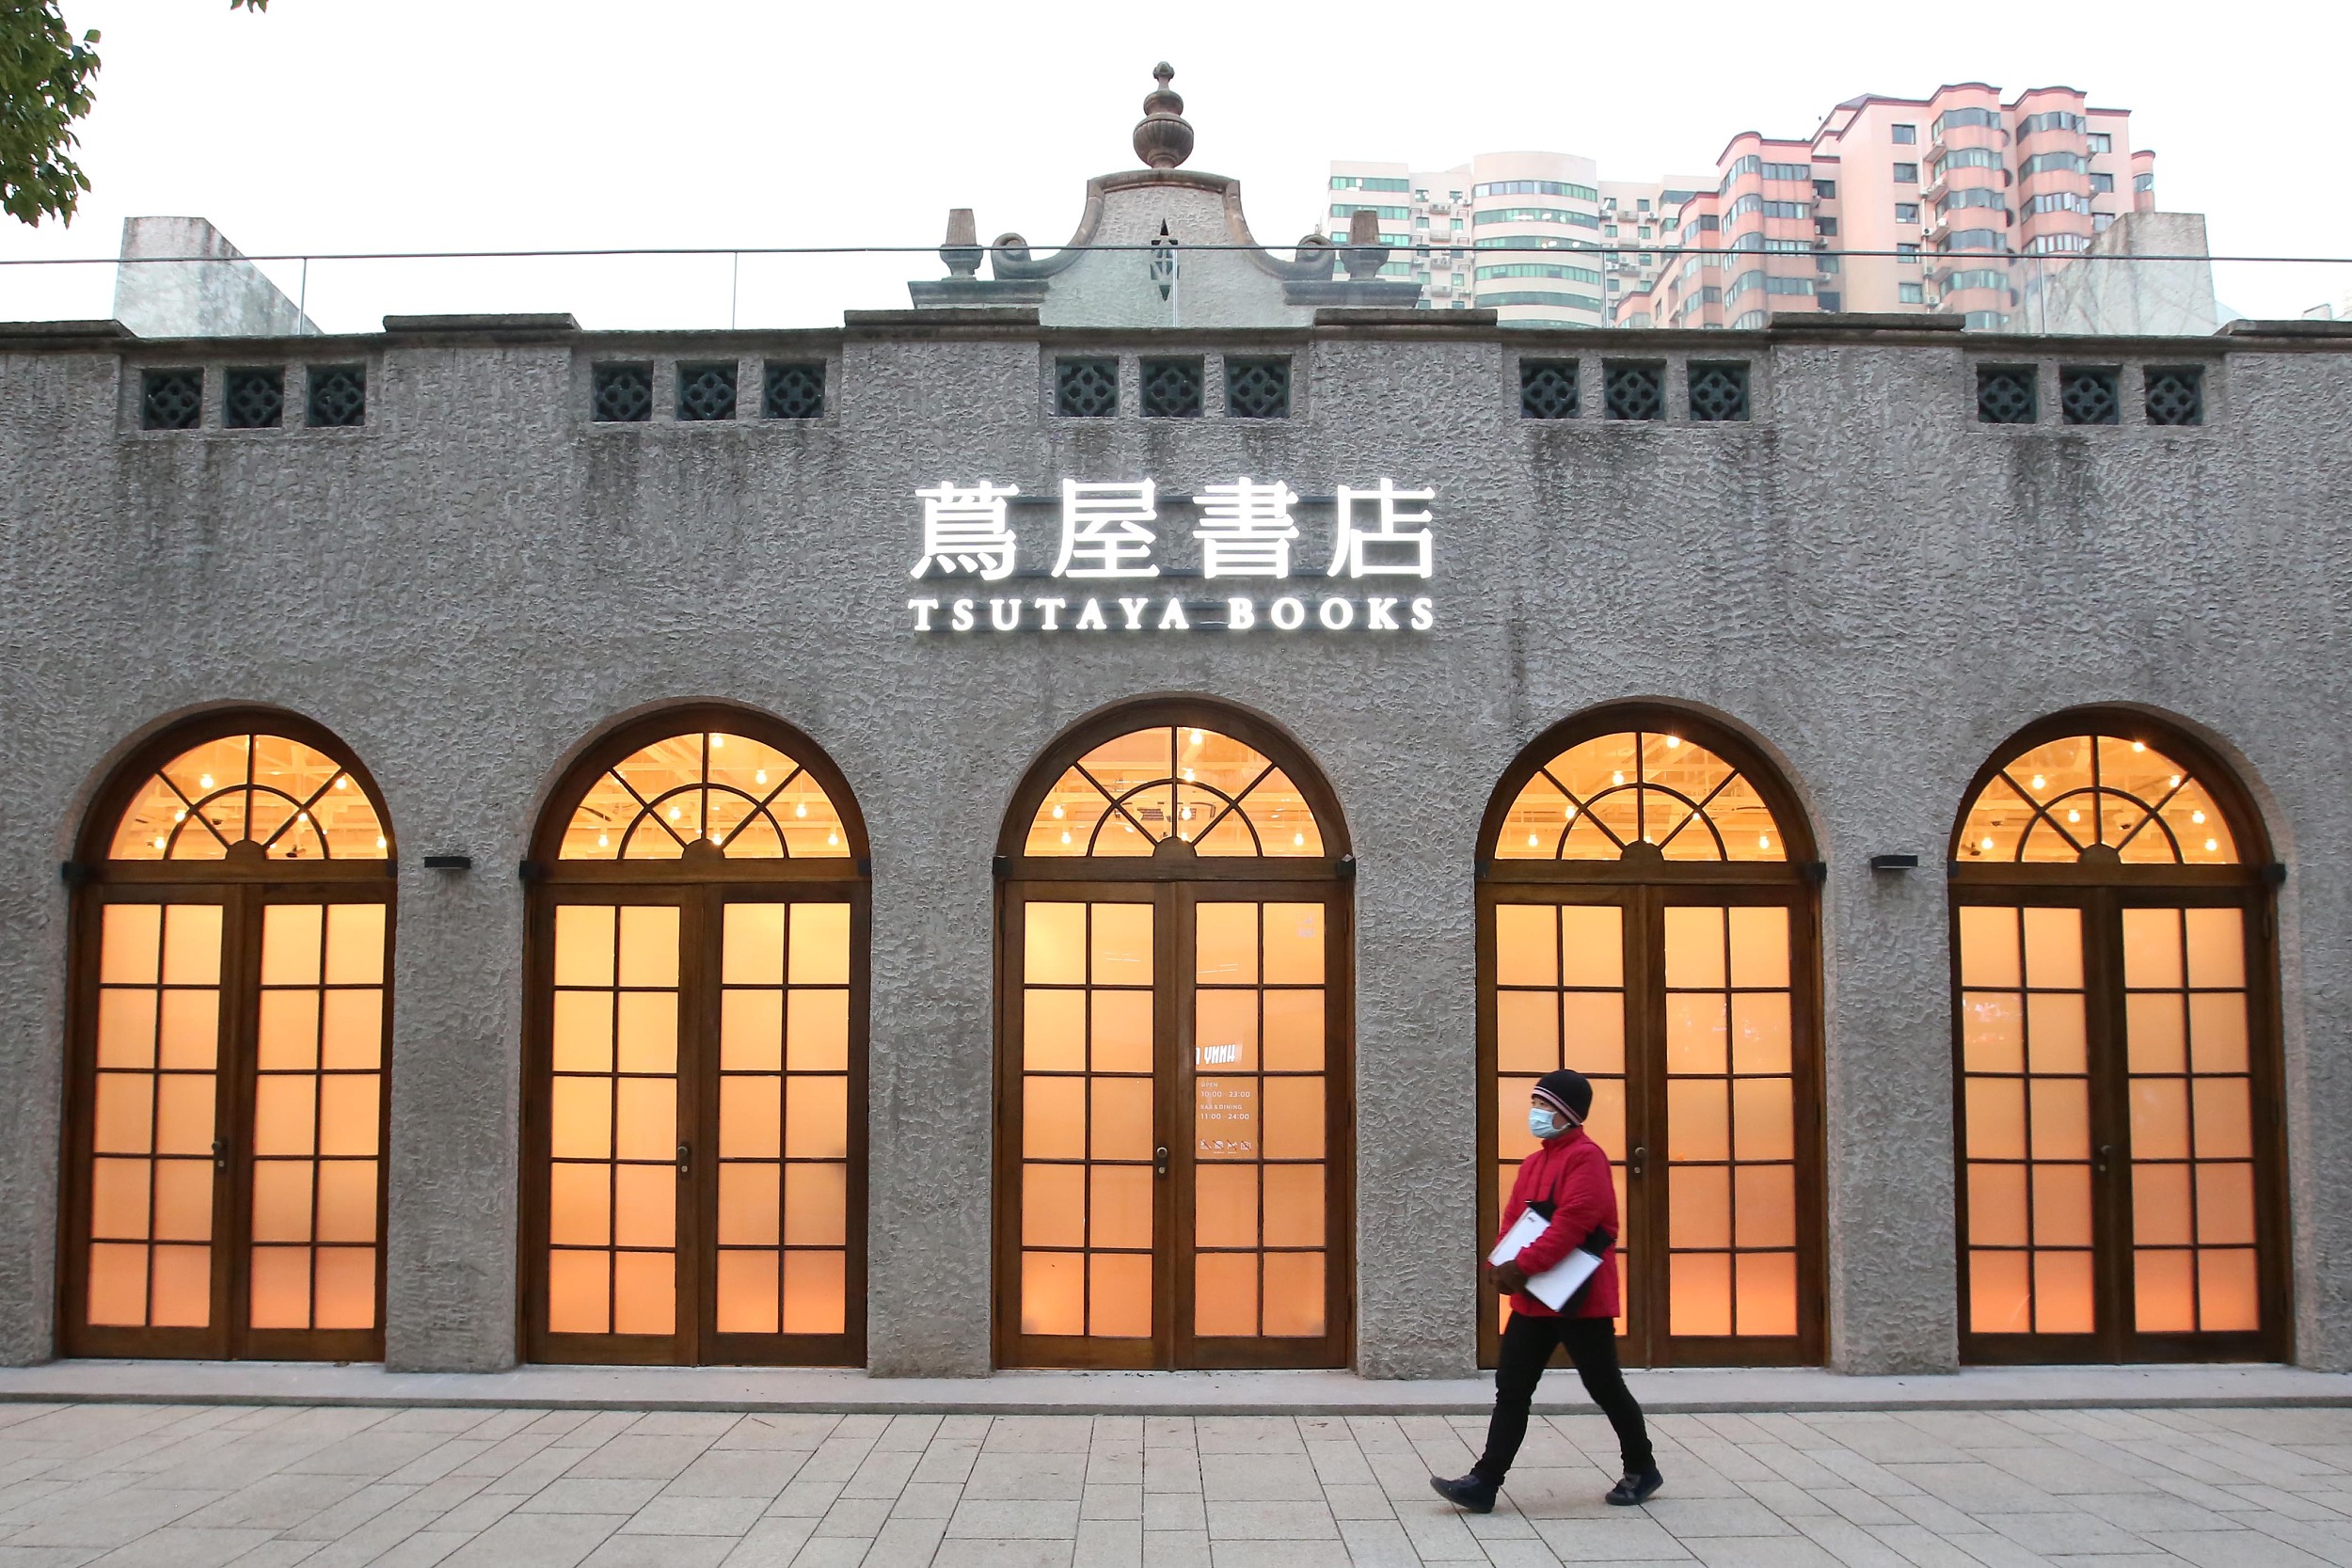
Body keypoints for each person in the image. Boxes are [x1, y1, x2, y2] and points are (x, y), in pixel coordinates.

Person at [1430, 1068, 1662, 1513]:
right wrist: (1499, 1265)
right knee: (1512, 1387)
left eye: (1544, 1105)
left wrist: (1521, 1266)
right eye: (1535, 1104)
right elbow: (1514, 1221)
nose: (1535, 1112)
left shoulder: (1588, 1159)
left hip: (1580, 1300)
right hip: (1534, 1298)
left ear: (1567, 1114)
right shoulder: (1534, 1163)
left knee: (1604, 1386)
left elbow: (1573, 1225)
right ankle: (1484, 1482)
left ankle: (1642, 1467)